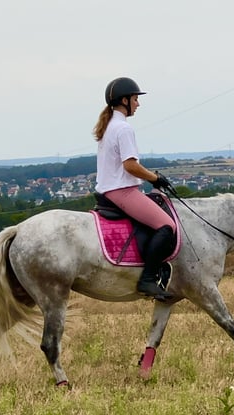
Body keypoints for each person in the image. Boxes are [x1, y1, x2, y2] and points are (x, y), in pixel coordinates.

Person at [93, 77, 177, 301]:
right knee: (167, 226)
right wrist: (155, 178)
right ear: (124, 100)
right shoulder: (123, 128)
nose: (138, 104)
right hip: (122, 191)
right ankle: (147, 280)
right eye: (135, 99)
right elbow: (130, 165)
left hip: (110, 190)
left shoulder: (109, 126)